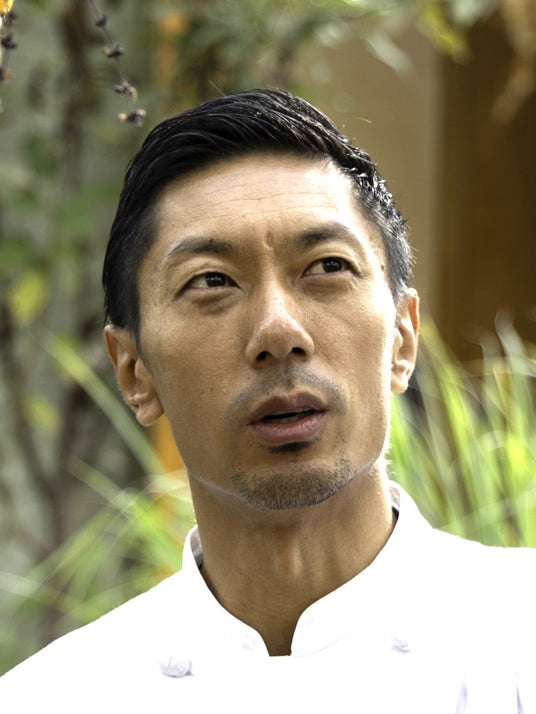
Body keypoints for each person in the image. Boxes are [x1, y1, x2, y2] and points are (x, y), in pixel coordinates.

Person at [1, 89, 534, 712]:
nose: (279, 331)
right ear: (134, 371)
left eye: (327, 267)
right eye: (211, 281)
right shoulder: (50, 698)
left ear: (402, 336)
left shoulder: (518, 637)